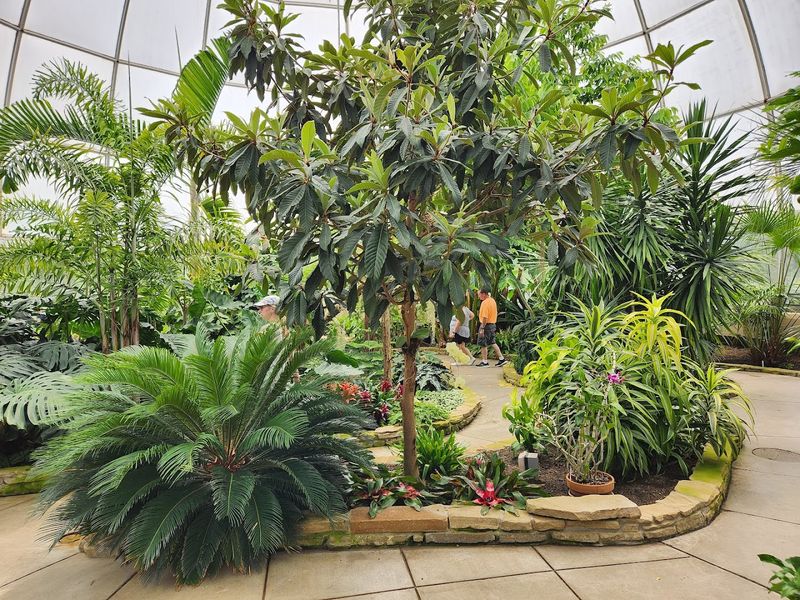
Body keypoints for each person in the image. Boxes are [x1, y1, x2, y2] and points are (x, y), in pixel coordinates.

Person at [476, 287, 507, 367]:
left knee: (483, 343)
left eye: (479, 294)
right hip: (492, 324)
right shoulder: (492, 300)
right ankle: (501, 359)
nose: (478, 296)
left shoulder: (485, 303)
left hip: (486, 325)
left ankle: (485, 362)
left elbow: (485, 317)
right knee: (492, 342)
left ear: (483, 294)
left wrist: (482, 327)